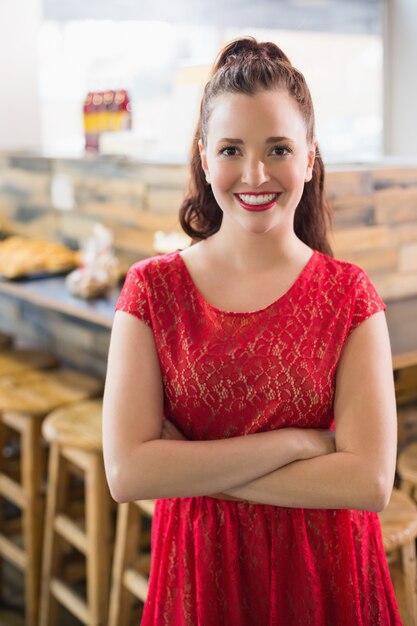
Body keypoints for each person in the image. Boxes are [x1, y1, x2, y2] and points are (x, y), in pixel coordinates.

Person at [103, 37, 401, 625]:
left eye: (279, 149)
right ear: (205, 156)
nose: (255, 174)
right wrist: (298, 445)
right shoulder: (152, 290)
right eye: (232, 149)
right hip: (199, 574)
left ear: (309, 158)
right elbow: (128, 473)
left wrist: (193, 469)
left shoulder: (349, 295)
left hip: (326, 576)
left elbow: (368, 481)